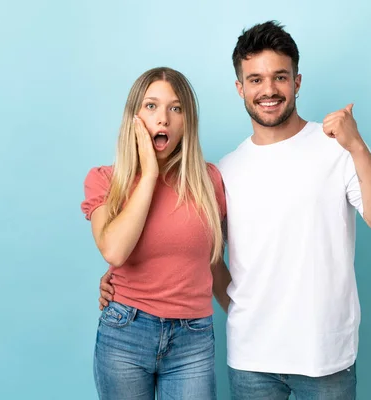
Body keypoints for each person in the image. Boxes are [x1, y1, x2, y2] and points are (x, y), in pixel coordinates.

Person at [100, 21, 371, 399]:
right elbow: (197, 250)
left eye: (280, 77)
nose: (269, 90)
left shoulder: (337, 148)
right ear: (240, 88)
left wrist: (357, 146)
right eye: (256, 79)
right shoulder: (223, 172)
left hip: (326, 357)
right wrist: (120, 279)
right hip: (251, 361)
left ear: (296, 82)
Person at [81, 67, 229, 400]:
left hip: (193, 339)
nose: (163, 118)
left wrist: (251, 320)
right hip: (125, 332)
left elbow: (215, 265)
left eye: (175, 108)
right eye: (151, 106)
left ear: (187, 121)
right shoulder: (106, 180)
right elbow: (115, 252)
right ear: (134, 117)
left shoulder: (210, 182)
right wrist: (148, 172)